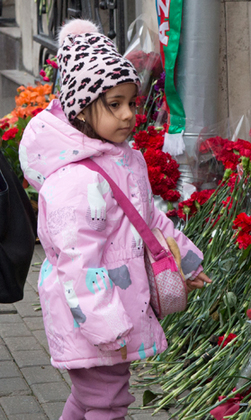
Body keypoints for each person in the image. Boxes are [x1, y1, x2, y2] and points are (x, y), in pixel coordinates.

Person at [19, 19, 210, 420]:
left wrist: (185, 259)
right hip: (95, 318)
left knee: (94, 398)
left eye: (131, 103)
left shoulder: (121, 158)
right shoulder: (76, 180)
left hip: (117, 308)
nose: (128, 115)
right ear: (81, 108)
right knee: (108, 402)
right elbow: (77, 261)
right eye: (114, 104)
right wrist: (105, 323)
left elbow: (148, 219)